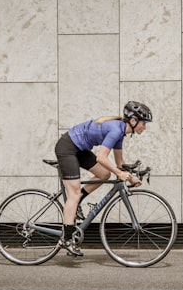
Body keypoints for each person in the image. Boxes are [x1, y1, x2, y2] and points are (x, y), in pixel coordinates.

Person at [54, 101, 153, 256]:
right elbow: (102, 158)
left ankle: (77, 201)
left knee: (104, 174)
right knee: (73, 194)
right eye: (144, 123)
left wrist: (131, 178)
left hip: (80, 149)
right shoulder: (115, 130)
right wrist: (120, 174)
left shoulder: (121, 133)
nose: (145, 127)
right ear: (133, 121)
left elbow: (119, 164)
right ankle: (66, 239)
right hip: (67, 147)